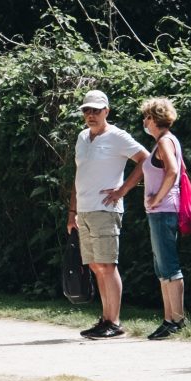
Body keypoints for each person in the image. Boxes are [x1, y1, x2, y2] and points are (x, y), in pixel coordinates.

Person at [67, 90, 149, 339]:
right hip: (84, 210)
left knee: (107, 265)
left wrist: (122, 190)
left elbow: (145, 159)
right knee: (95, 266)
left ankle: (114, 322)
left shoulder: (117, 136)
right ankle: (105, 319)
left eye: (96, 110)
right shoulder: (82, 137)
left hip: (105, 209)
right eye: (87, 110)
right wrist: (72, 212)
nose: (91, 115)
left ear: (107, 111)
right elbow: (79, 175)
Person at [139, 98, 188, 339]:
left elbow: (173, 171)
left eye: (146, 117)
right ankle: (169, 319)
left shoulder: (165, 141)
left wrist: (156, 198)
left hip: (163, 210)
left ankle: (176, 320)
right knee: (162, 268)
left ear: (153, 118)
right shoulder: (166, 141)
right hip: (161, 211)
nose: (144, 121)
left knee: (168, 265)